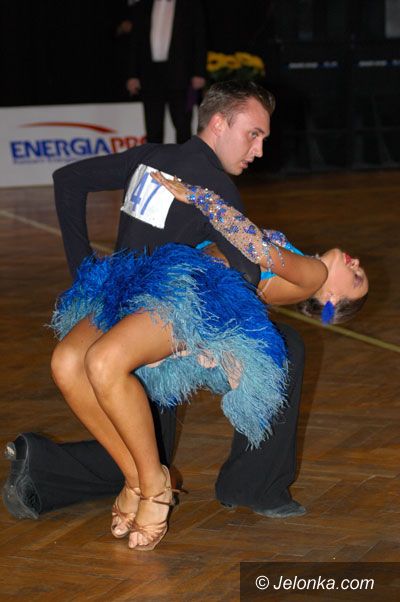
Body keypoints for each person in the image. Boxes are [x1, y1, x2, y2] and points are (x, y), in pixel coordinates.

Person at [2, 80, 306, 526]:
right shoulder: (213, 183)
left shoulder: (151, 156)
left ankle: (142, 480)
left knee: (73, 363)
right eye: (253, 134)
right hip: (156, 309)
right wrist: (209, 338)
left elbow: (67, 180)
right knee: (74, 363)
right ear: (219, 124)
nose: (258, 150)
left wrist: (83, 269)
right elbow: (243, 272)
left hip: (122, 300)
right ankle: (153, 482)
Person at [126, 0, 207, 143]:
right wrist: (132, 75)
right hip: (150, 74)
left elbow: (200, 39)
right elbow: (135, 43)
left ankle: (184, 158)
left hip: (182, 74)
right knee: (153, 128)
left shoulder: (190, 5)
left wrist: (199, 72)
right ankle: (155, 158)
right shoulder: (142, 6)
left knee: (183, 126)